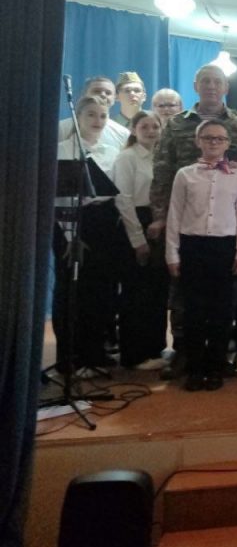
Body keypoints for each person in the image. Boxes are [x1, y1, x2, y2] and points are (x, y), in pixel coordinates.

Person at [151, 64, 237, 379]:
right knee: (184, 299)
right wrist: (160, 217)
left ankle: (219, 355)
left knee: (224, 300)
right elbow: (162, 170)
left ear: (226, 87)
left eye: (217, 81)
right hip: (188, 222)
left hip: (226, 223)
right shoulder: (175, 124)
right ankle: (185, 353)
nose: (211, 86)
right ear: (196, 85)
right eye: (206, 81)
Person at [165, 119, 237, 392]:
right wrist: (172, 254)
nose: (214, 142)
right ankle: (194, 368)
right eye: (208, 137)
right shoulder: (184, 174)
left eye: (219, 138)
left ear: (228, 144)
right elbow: (175, 214)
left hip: (224, 247)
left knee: (222, 312)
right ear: (197, 141)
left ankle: (215, 366)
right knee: (193, 311)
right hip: (192, 246)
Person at [54, 95, 121, 374]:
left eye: (103, 115)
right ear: (78, 118)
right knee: (70, 288)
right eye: (91, 115)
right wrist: (69, 232)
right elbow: (55, 194)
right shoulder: (61, 150)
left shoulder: (113, 151)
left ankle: (94, 351)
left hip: (102, 221)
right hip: (68, 221)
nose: (97, 120)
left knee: (99, 288)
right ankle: (69, 355)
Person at [112, 110, 168, 371]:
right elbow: (123, 200)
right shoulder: (127, 157)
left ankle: (154, 348)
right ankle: (134, 354)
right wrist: (138, 239)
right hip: (135, 222)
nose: (151, 131)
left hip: (159, 222)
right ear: (134, 130)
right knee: (136, 293)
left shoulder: (161, 158)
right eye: (144, 126)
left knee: (157, 290)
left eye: (155, 126)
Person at [58, 76, 130, 150]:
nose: (103, 95)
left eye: (108, 93)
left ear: (114, 98)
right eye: (97, 91)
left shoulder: (122, 134)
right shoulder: (62, 128)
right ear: (84, 95)